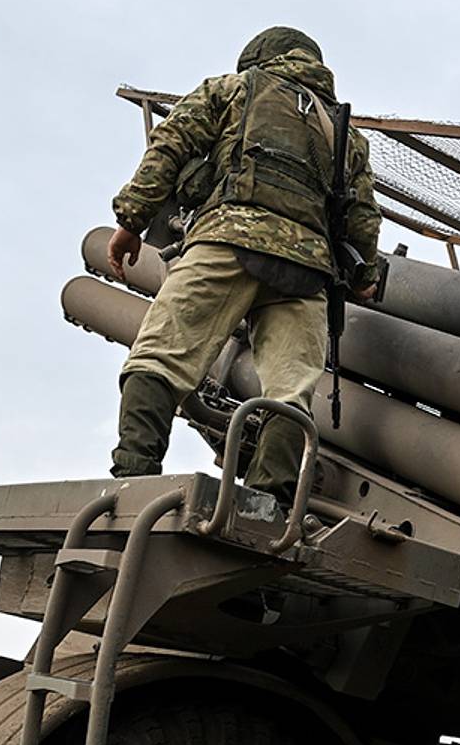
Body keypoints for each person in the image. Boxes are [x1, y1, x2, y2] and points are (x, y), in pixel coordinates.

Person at [106, 25, 381, 505]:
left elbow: (171, 143)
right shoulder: (345, 135)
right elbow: (361, 217)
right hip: (305, 269)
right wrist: (364, 277)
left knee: (160, 355)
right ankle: (268, 502)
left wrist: (133, 220)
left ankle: (134, 477)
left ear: (258, 56)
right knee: (290, 391)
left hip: (228, 240)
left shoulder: (234, 89)